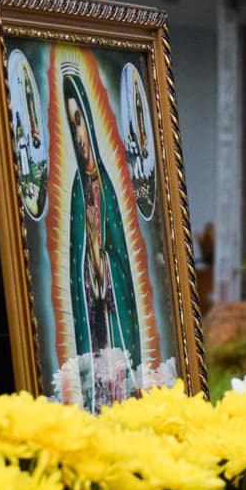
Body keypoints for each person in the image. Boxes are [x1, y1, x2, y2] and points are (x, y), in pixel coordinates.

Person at [62, 71, 142, 410]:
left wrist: (104, 269)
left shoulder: (106, 190)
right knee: (99, 383)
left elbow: (121, 259)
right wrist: (89, 274)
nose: (78, 134)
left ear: (90, 128)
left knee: (118, 383)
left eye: (80, 122)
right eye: (71, 124)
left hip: (111, 305)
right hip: (92, 309)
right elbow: (76, 257)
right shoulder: (76, 196)